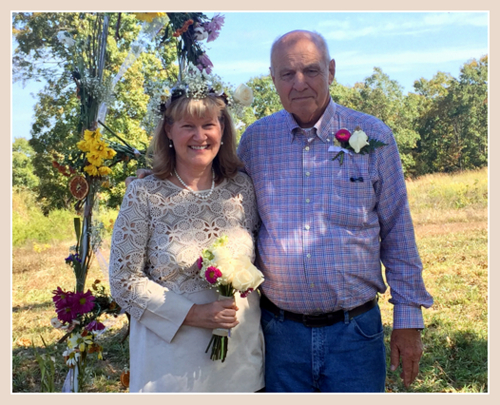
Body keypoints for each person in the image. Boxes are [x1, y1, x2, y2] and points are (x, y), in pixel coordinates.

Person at [235, 30, 433, 392]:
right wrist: (161, 176)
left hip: (355, 334)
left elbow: (397, 231)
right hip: (279, 335)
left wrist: (408, 320)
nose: (299, 83)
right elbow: (231, 212)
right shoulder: (255, 141)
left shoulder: (371, 136)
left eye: (311, 71)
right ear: (272, 78)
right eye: (287, 74)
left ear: (331, 70)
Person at [109, 87, 264, 392]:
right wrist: (195, 314)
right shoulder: (144, 193)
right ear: (168, 130)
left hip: (241, 363)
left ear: (223, 130)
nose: (199, 136)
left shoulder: (243, 188)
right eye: (187, 126)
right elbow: (123, 281)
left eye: (208, 125)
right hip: (170, 366)